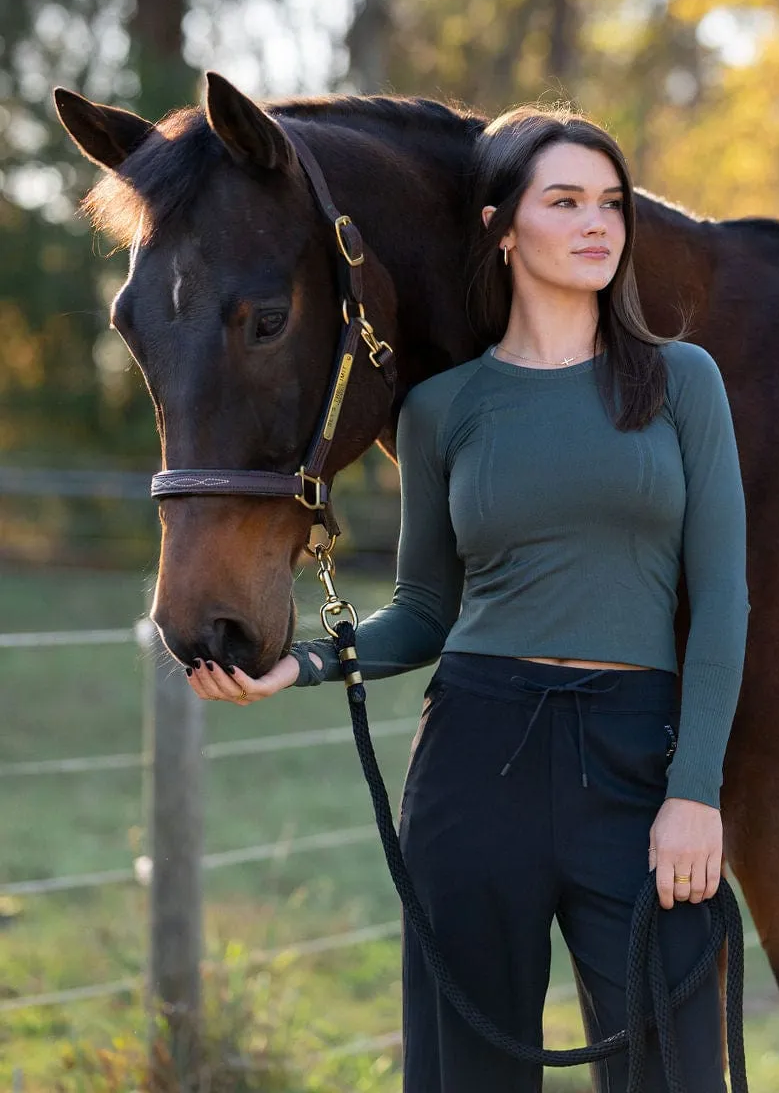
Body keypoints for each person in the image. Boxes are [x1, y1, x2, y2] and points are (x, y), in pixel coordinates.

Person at [187, 104, 749, 1093]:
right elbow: (425, 611)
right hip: (476, 758)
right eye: (565, 201)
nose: (598, 225)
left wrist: (694, 794)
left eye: (611, 203)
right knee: (469, 1071)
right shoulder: (441, 411)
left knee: (675, 1068)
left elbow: (723, 603)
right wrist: (305, 663)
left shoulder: (682, 386)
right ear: (499, 226)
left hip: (636, 764)